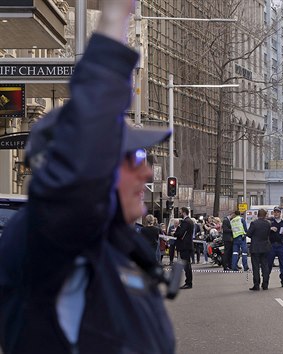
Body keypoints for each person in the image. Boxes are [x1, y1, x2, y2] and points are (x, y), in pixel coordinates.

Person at [0, 1, 175, 352]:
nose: (147, 171)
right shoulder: (51, 242)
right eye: (133, 157)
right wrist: (113, 21)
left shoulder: (112, 248)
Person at [246, 209, 272, 290]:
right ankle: (265, 284)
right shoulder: (268, 223)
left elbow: (249, 234)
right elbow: (268, 234)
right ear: (265, 215)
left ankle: (256, 284)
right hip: (265, 247)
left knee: (256, 267)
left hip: (255, 247)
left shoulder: (254, 223)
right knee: (265, 266)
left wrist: (254, 237)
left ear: (258, 214)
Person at [268, 207, 283, 287]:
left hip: (281, 244)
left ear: (280, 213)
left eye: (278, 212)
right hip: (272, 245)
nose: (276, 213)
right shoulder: (270, 221)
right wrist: (270, 229)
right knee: (268, 263)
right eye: (275, 212)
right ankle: (265, 280)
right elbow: (264, 230)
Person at [174, 207, 195, 289]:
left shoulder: (185, 222)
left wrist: (176, 232)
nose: (179, 213)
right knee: (187, 264)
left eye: (180, 212)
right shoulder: (189, 221)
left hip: (185, 246)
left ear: (183, 212)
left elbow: (180, 233)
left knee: (186, 265)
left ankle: (188, 282)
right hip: (187, 245)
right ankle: (188, 281)